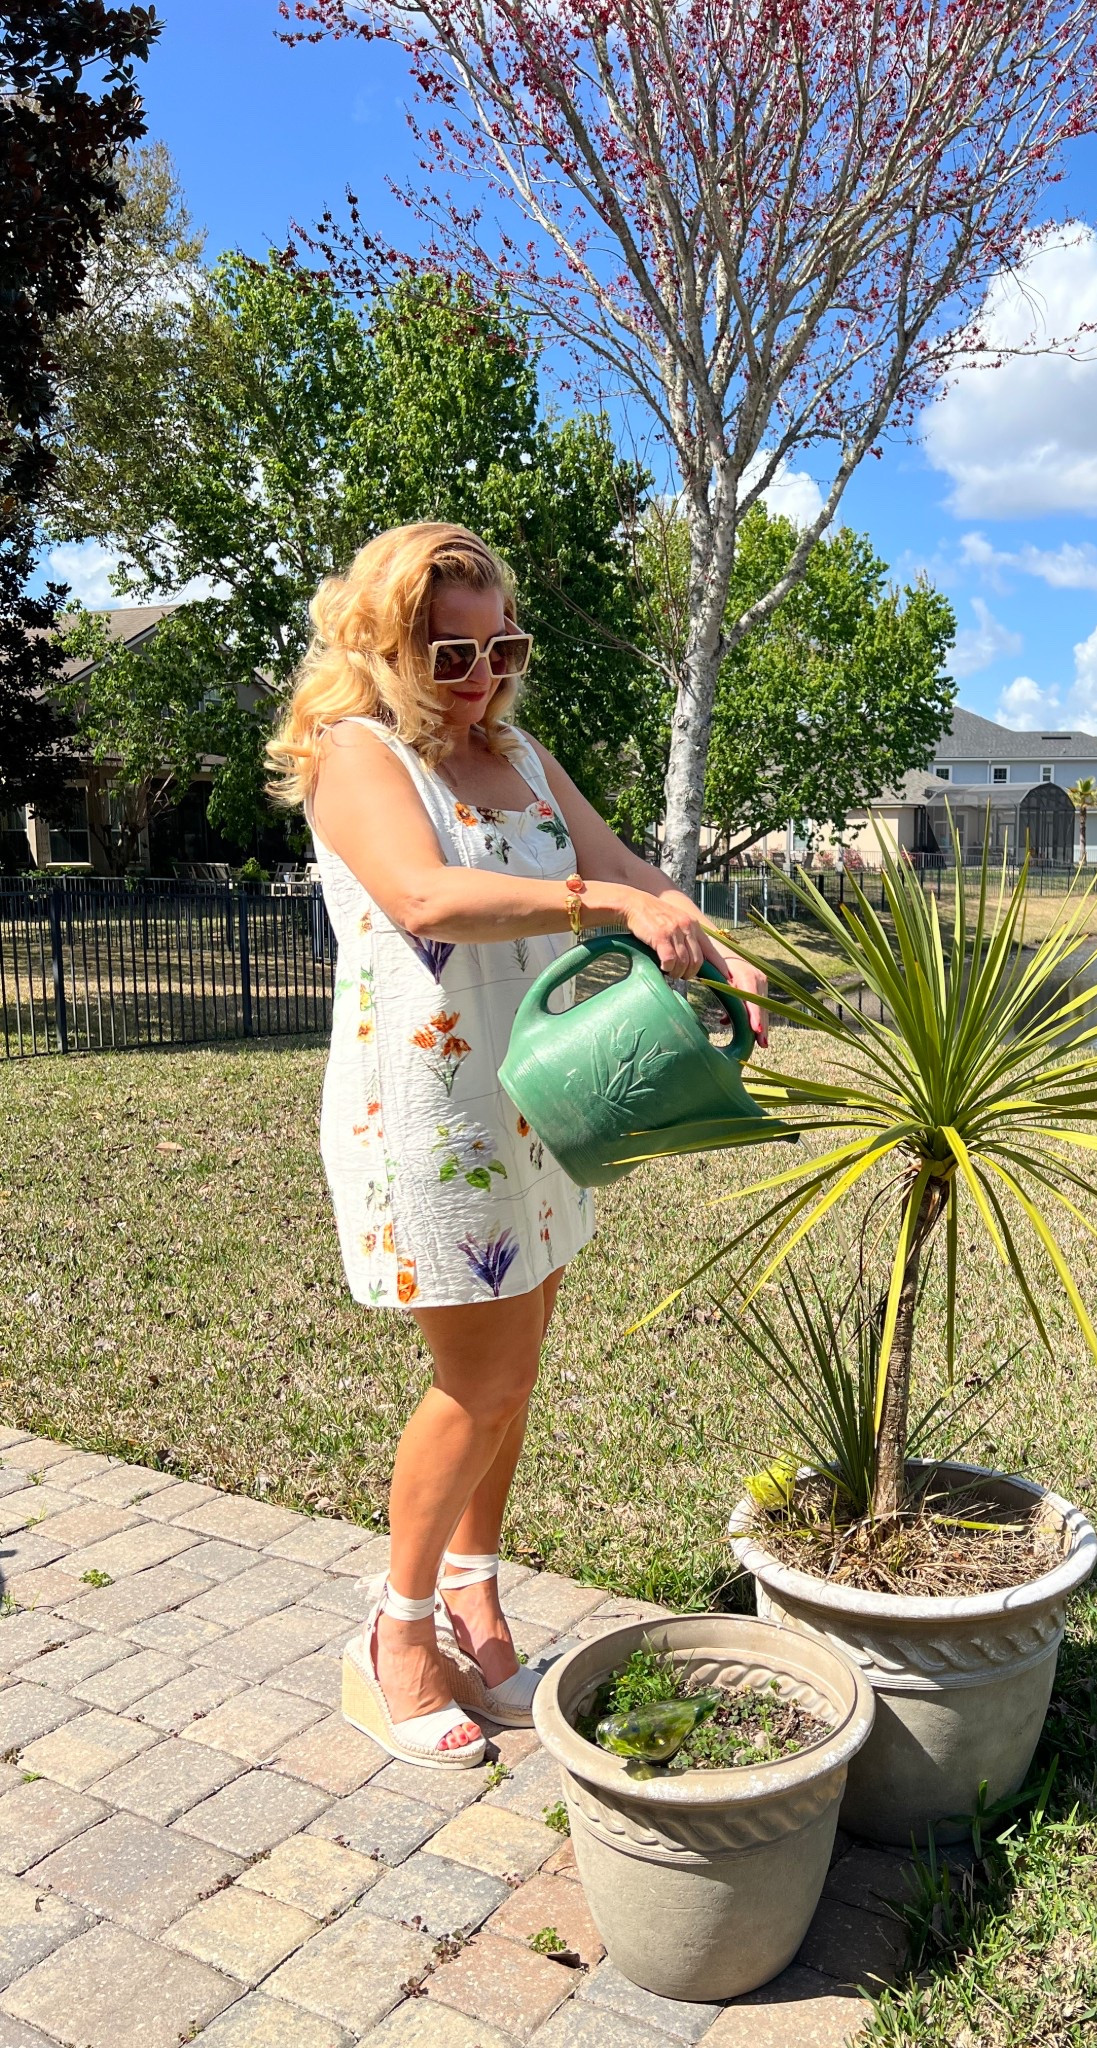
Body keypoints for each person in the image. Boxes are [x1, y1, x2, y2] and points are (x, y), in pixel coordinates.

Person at [267, 521, 766, 1768]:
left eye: (502, 646)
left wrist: (719, 943)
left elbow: (625, 863)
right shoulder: (355, 753)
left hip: (545, 1096)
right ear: (384, 645)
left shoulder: (523, 755)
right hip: (433, 1112)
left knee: (521, 1368)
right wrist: (605, 905)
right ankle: (396, 1637)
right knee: (474, 1380)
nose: (483, 674)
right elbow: (429, 898)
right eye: (451, 651)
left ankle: (477, 1598)